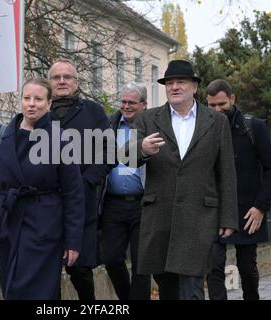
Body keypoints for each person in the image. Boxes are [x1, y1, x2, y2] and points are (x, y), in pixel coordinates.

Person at [121, 59, 238, 300]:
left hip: (199, 217)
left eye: (181, 82)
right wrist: (141, 148)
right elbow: (126, 156)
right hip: (160, 216)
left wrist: (228, 217)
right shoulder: (148, 118)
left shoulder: (216, 122)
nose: (174, 87)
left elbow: (226, 171)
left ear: (194, 87)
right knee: (167, 288)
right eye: (169, 83)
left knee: (192, 288)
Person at [0, 78, 85, 300]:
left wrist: (73, 240)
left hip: (44, 227)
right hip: (6, 223)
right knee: (12, 289)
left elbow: (73, 193)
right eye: (27, 98)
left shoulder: (61, 140)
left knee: (36, 292)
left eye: (38, 99)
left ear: (49, 103)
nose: (31, 104)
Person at [205, 79, 271, 300]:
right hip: (215, 209)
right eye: (212, 106)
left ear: (232, 99)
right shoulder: (203, 129)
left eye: (222, 104)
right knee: (214, 266)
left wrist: (261, 206)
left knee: (247, 267)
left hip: (248, 211)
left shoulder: (254, 127)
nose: (217, 110)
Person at [48, 58, 113, 300]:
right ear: (50, 82)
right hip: (47, 204)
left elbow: (109, 150)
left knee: (80, 268)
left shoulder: (93, 112)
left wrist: (88, 181)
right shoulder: (40, 112)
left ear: (77, 82)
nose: (62, 81)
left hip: (82, 203)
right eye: (57, 77)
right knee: (48, 270)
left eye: (67, 77)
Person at [99, 82, 151, 300]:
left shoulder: (151, 126)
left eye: (131, 102)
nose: (126, 106)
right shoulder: (109, 125)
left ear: (144, 105)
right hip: (113, 203)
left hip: (143, 204)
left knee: (142, 264)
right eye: (123, 102)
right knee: (110, 257)